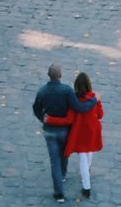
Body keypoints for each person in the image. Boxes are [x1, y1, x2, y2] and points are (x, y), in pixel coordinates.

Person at [32, 63, 97, 202]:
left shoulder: (42, 91)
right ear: (60, 75)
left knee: (54, 160)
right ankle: (62, 174)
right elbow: (79, 107)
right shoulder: (67, 91)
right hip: (64, 130)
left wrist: (43, 119)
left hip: (49, 131)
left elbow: (36, 108)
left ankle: (59, 193)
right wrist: (94, 101)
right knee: (64, 154)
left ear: (48, 75)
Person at [44, 72, 103, 200]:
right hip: (92, 131)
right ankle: (87, 177)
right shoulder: (94, 98)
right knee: (89, 152)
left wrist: (50, 119)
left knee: (82, 157)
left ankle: (86, 186)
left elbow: (68, 120)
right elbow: (100, 114)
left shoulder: (74, 101)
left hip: (80, 133)